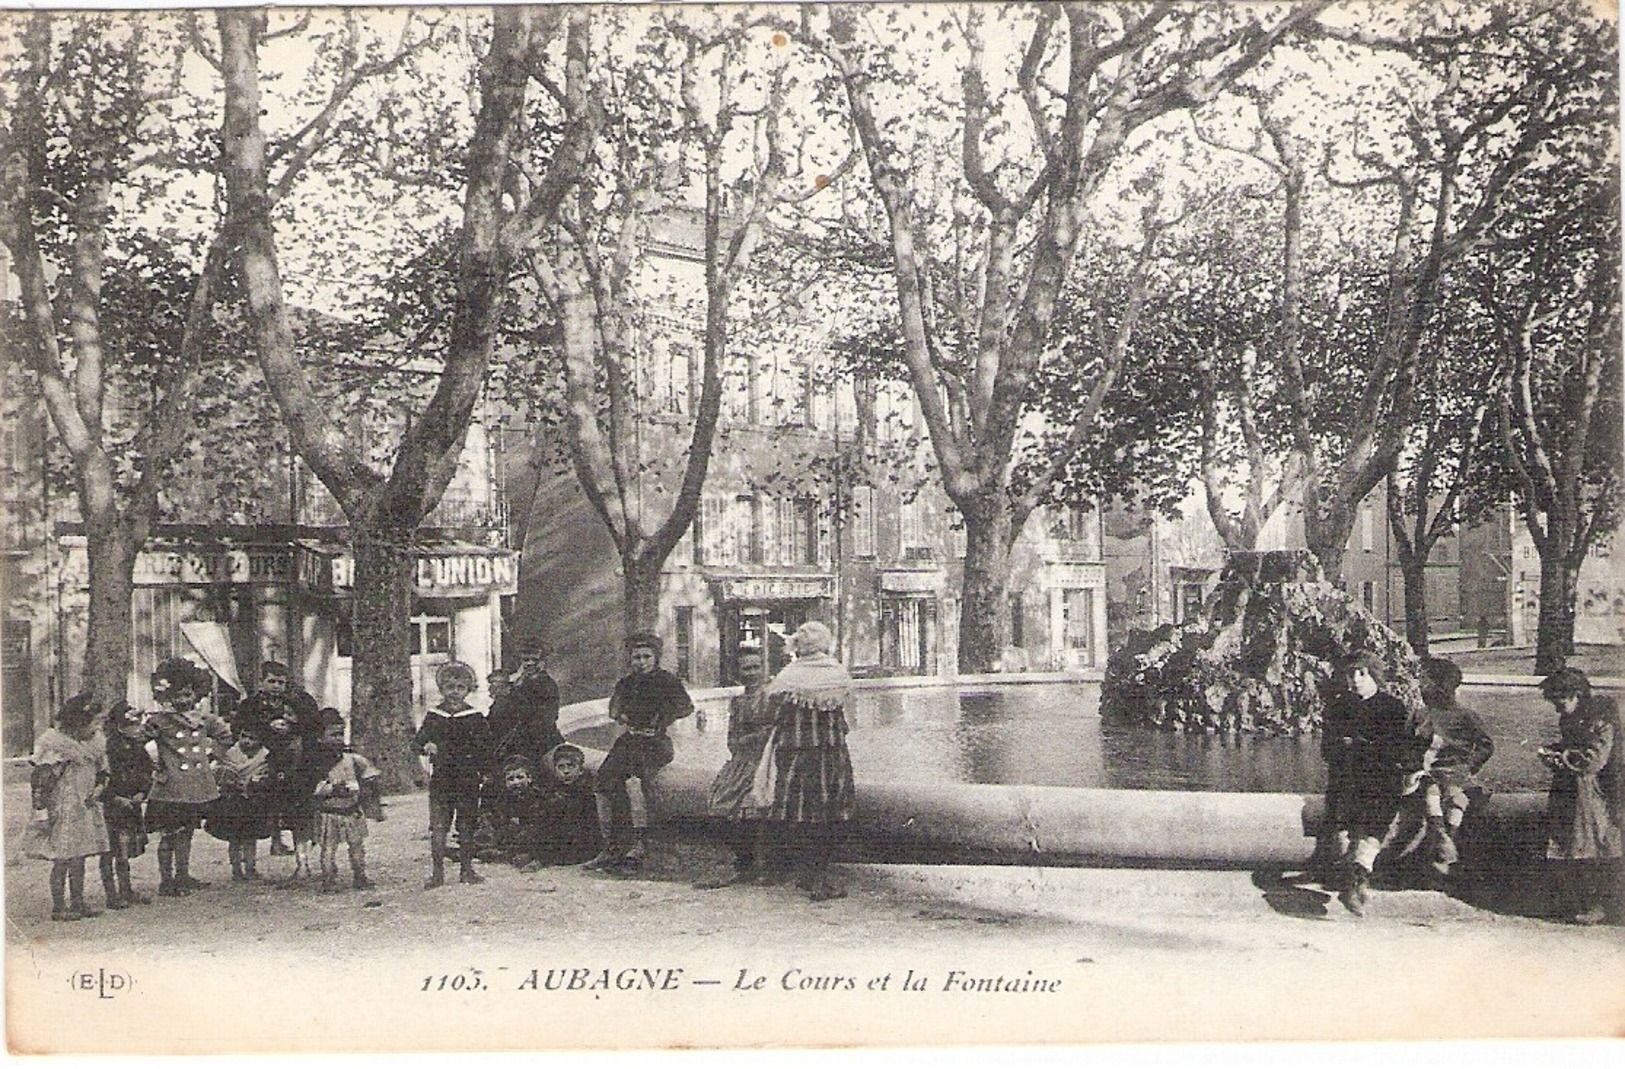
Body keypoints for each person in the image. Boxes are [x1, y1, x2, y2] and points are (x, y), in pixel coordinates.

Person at [1317, 651, 1426, 917]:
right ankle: (1356, 881)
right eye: (1350, 674)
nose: (1355, 680)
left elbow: (1398, 748)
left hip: (1380, 781)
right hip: (1346, 781)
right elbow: (1327, 751)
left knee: (1372, 825)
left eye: (1361, 673)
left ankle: (1355, 881)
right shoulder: (1338, 706)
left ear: (1374, 674)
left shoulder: (1392, 707)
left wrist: (1358, 745)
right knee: (1346, 830)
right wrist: (1345, 746)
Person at [757, 621, 856, 903]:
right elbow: (842, 718)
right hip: (829, 753)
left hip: (795, 753)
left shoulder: (789, 675)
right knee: (828, 814)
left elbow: (773, 712)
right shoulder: (836, 673)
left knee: (797, 814)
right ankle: (819, 877)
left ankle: (806, 872)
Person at [584, 631, 693, 874]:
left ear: (656, 658)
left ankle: (643, 844)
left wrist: (662, 717)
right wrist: (622, 715)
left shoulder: (667, 681)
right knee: (604, 781)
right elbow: (614, 708)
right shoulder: (626, 683)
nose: (641, 662)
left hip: (655, 743)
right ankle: (615, 845)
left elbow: (686, 707)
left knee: (639, 784)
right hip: (630, 740)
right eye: (636, 657)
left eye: (646, 657)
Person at [1537, 667, 1623, 925]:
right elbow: (1571, 746)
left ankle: (1599, 904)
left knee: (1593, 845)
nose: (1556, 708)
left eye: (1560, 701)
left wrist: (1562, 757)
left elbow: (1595, 759)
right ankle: (1578, 900)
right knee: (1570, 844)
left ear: (1576, 694)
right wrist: (1555, 751)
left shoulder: (1601, 721)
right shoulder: (1569, 719)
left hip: (1592, 793)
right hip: (1570, 790)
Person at [143, 657, 233, 898]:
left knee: (187, 832)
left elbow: (225, 736)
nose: (183, 700)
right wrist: (154, 764)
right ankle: (166, 879)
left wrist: (212, 756)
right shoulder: (159, 721)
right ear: (168, 697)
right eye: (178, 696)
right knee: (169, 834)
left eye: (188, 695)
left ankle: (183, 875)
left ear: (196, 693)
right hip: (170, 787)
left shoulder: (205, 719)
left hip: (196, 786)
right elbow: (137, 743)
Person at [1406, 656, 1494, 887]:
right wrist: (1413, 766)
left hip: (1456, 771)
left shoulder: (1466, 716)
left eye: (1425, 683)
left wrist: (1469, 765)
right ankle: (1442, 836)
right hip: (1429, 771)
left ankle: (1446, 839)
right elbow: (1407, 745)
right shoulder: (1420, 715)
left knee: (1455, 795)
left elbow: (1486, 745)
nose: (1421, 688)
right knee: (1432, 790)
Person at [25, 694, 112, 921]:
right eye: (93, 722)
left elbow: (103, 772)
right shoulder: (55, 746)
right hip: (63, 806)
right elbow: (41, 780)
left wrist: (98, 790)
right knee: (62, 856)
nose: (97, 727)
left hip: (86, 804)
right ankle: (59, 906)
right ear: (78, 722)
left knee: (80, 855)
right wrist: (41, 808)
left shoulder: (95, 744)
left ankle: (78, 901)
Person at [697, 646, 774, 889]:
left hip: (768, 760)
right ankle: (743, 862)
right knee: (719, 800)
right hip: (743, 759)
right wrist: (745, 742)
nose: (752, 673)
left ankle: (764, 866)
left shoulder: (772, 697)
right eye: (746, 668)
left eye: (756, 667)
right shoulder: (738, 702)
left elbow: (775, 733)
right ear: (738, 673)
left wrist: (751, 740)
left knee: (753, 804)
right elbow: (732, 739)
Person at [415, 660, 492, 888]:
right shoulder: (434, 716)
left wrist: (486, 771)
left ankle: (467, 870)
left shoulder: (475, 717)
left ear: (468, 690)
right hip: (442, 779)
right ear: (442, 689)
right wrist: (426, 745)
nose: (454, 693)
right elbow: (417, 742)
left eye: (460, 687)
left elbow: (486, 747)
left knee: (467, 825)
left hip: (468, 778)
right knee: (439, 826)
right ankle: (437, 873)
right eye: (450, 687)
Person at [236, 661, 320, 855]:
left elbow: (314, 724)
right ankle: (275, 841)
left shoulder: (298, 700)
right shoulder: (251, 704)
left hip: (294, 757)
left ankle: (300, 840)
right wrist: (266, 728)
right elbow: (241, 728)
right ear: (261, 681)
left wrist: (293, 727)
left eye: (280, 682)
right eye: (271, 681)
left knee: (294, 798)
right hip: (265, 756)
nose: (276, 686)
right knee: (270, 799)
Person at [310, 709, 383, 893]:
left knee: (357, 845)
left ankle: (360, 875)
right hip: (329, 812)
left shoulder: (351, 758)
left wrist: (367, 787)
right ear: (320, 738)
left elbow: (369, 773)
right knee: (328, 848)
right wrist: (333, 789)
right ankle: (328, 879)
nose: (338, 739)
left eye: (341, 734)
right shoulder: (316, 763)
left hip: (351, 810)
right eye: (333, 734)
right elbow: (312, 788)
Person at [101, 699, 154, 908]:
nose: (137, 729)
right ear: (120, 726)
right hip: (112, 805)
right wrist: (113, 796)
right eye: (133, 725)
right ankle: (111, 894)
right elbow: (103, 776)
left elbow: (146, 770)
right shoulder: (108, 747)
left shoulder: (137, 747)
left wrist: (142, 791)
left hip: (132, 803)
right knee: (110, 851)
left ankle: (126, 889)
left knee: (124, 851)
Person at [205, 723, 273, 881]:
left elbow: (266, 775)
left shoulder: (264, 756)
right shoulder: (230, 754)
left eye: (252, 738)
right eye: (244, 736)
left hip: (253, 801)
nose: (247, 741)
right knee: (234, 837)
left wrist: (258, 782)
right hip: (232, 801)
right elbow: (220, 773)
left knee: (250, 836)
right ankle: (236, 869)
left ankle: (250, 867)